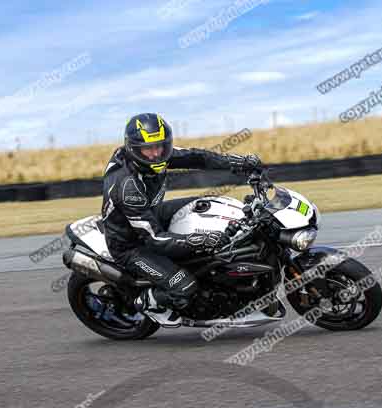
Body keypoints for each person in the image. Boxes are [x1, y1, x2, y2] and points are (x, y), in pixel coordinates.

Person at [100, 112, 261, 325]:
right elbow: (154, 239)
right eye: (149, 149)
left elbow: (198, 157)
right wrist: (200, 240)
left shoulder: (155, 156)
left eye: (161, 146)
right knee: (184, 286)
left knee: (207, 204)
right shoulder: (128, 187)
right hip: (131, 244)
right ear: (134, 149)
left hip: (151, 213)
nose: (156, 154)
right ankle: (149, 302)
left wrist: (237, 162)